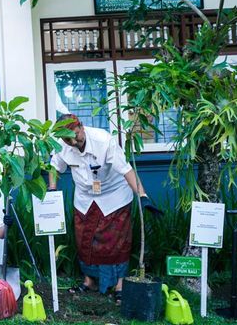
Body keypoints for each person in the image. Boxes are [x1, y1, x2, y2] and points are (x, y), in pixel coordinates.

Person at [48, 114, 161, 303]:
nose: (74, 141)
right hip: (84, 199)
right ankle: (89, 280)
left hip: (114, 196)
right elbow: (54, 167)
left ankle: (120, 284)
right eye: (68, 139)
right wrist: (52, 189)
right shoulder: (63, 146)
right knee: (85, 240)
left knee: (117, 242)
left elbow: (126, 170)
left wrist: (142, 195)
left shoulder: (103, 140)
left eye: (76, 135)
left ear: (82, 126)